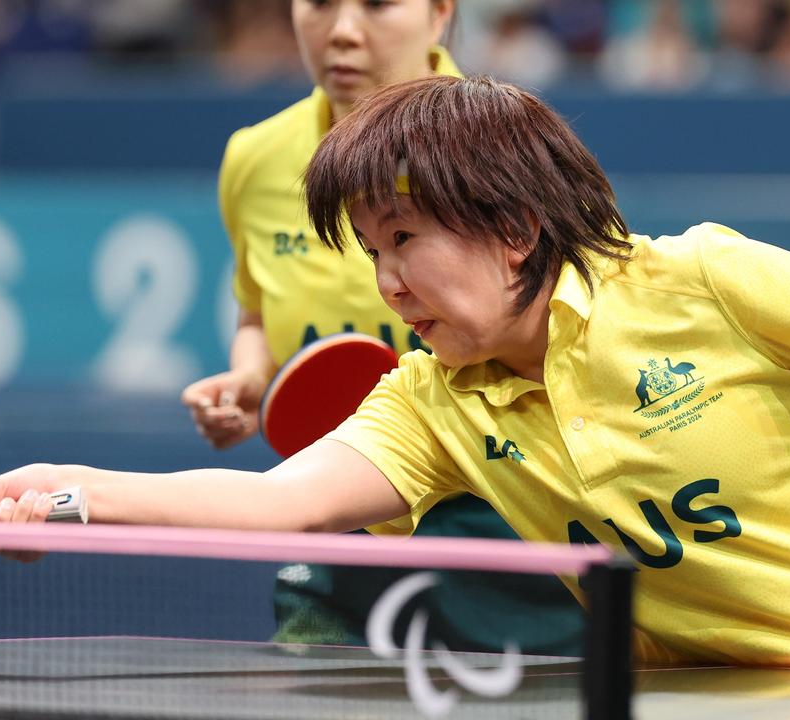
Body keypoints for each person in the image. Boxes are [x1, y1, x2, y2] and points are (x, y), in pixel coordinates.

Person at [0, 75, 790, 677]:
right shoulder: (432, 401)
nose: (386, 282)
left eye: (404, 240)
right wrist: (74, 491)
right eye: (369, 254)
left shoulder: (703, 280)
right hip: (720, 702)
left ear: (513, 231)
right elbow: (276, 502)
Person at [175, 0, 583, 653]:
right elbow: (256, 307)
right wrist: (251, 376)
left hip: (498, 505)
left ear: (439, 14)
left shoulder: (506, 144)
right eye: (320, 4)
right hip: (344, 511)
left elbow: (584, 323)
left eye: (376, 5)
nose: (341, 30)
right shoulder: (254, 160)